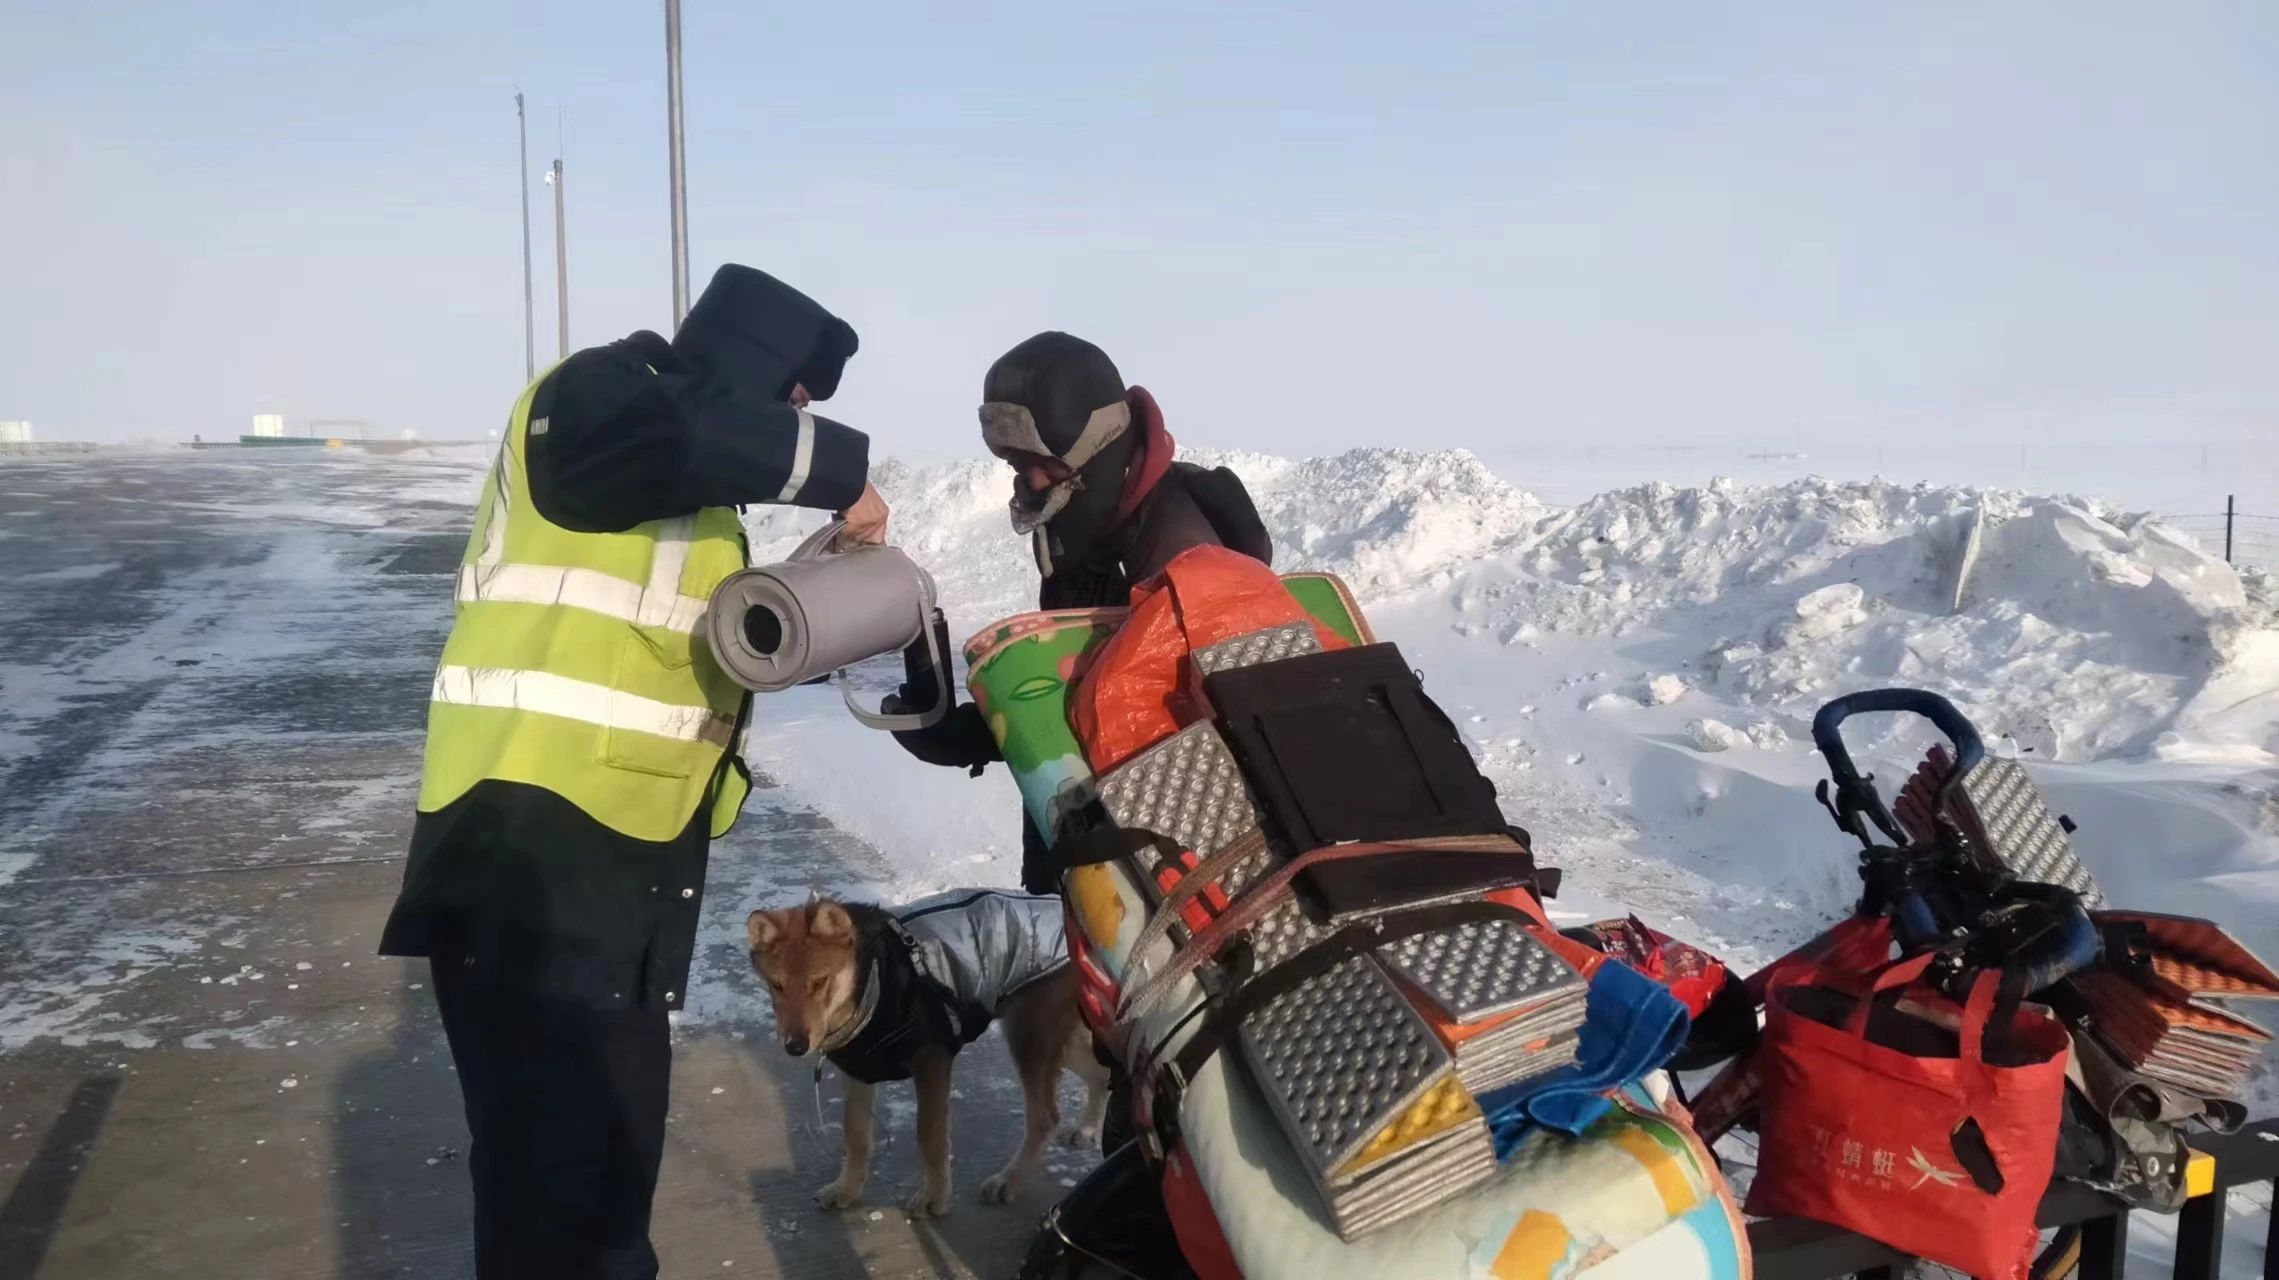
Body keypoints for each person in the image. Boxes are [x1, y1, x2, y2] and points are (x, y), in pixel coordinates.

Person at [378, 264, 888, 1279]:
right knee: (588, 1213)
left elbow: (670, 666)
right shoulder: (589, 398)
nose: (791, 425)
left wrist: (822, 589)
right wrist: (845, 471)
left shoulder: (685, 511)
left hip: (607, 889)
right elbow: (682, 432)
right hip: (536, 874)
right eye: (791, 402)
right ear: (742, 373)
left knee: (551, 1205)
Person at [888, 331, 1270, 894]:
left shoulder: (1183, 555)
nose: (1029, 482)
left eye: (1044, 465)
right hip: (1091, 848)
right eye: (1018, 463)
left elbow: (1164, 739)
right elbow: (1081, 681)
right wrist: (976, 729)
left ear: (1099, 450)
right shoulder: (1101, 534)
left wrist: (990, 736)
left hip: (1160, 880)